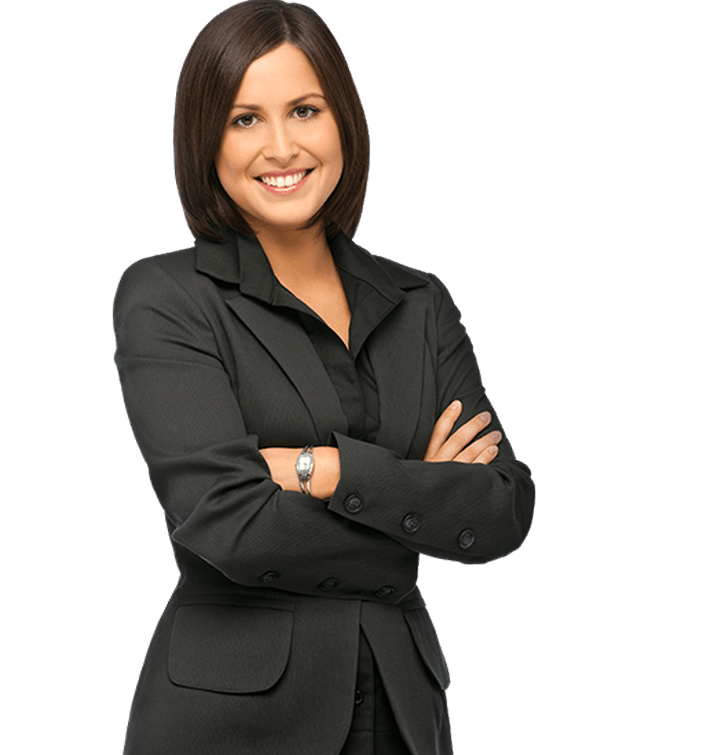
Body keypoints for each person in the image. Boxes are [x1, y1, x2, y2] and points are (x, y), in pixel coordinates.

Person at [112, 1, 535, 753]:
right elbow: (228, 524)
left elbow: (501, 507)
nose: (281, 147)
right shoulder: (167, 297)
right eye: (244, 119)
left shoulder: (418, 302)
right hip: (232, 723)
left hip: (403, 712)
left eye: (304, 110)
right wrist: (419, 498)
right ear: (205, 140)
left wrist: (319, 469)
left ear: (343, 121)